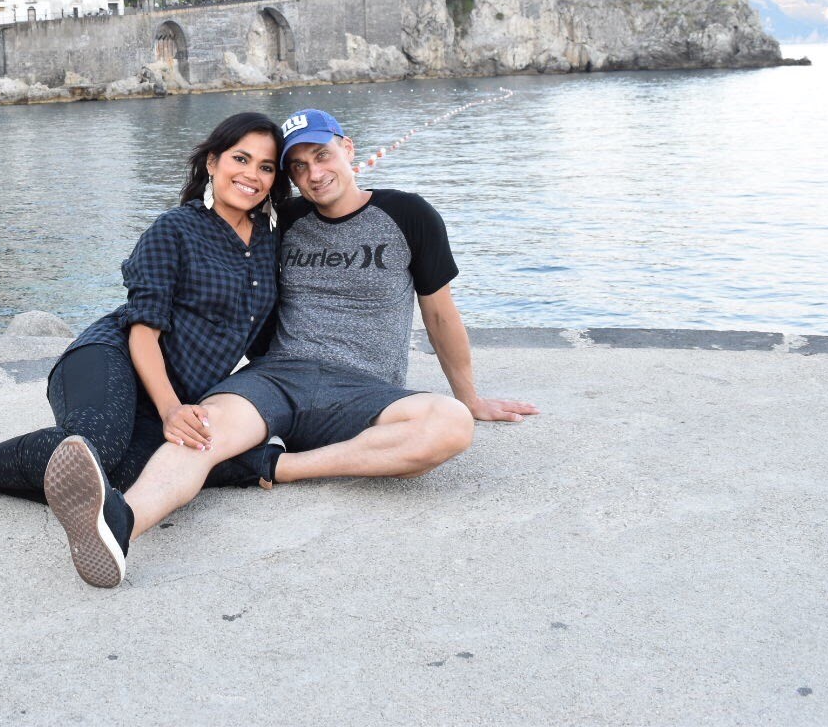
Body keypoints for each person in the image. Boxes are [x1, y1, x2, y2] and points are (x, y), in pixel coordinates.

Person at [44, 108, 539, 587]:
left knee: (450, 424)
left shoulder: (407, 214)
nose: (314, 174)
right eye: (297, 167)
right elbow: (223, 240)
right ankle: (120, 524)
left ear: (347, 149)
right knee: (197, 434)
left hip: (363, 391)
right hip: (275, 376)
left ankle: (278, 466)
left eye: (322, 156)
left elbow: (439, 313)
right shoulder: (283, 222)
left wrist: (470, 398)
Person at [0, 111, 290, 519]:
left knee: (116, 483)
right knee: (96, 447)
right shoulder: (174, 229)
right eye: (240, 159)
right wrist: (172, 409)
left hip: (168, 399)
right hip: (112, 358)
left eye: (266, 167)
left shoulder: (271, 242)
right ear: (212, 163)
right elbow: (142, 332)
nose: (251, 175)